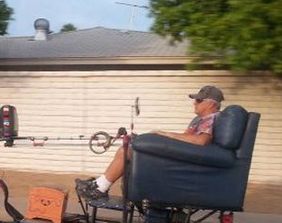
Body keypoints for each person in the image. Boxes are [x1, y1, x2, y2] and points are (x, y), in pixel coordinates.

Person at [76, 85, 225, 200]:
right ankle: (98, 184)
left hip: (182, 165)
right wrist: (157, 139)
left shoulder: (212, 118)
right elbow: (184, 141)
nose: (194, 103)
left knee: (126, 151)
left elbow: (201, 141)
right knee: (132, 146)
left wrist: (164, 135)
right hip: (182, 159)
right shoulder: (201, 120)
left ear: (211, 104)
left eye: (199, 100)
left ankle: (100, 188)